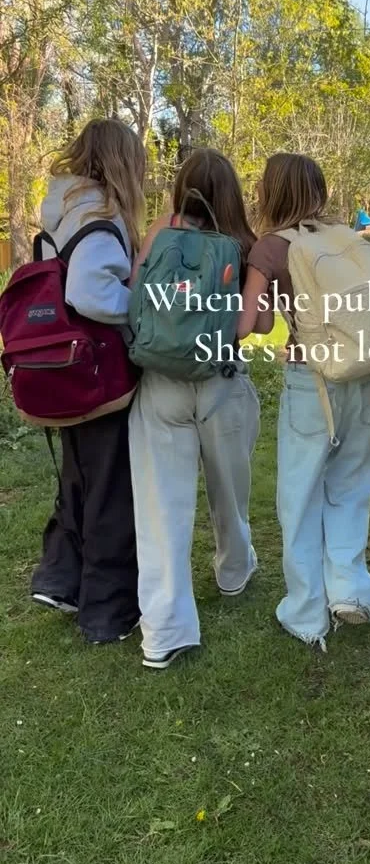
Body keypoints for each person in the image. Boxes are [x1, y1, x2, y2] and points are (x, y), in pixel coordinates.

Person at [238, 152, 370, 651]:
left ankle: (305, 613)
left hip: (310, 379)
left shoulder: (272, 247)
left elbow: (247, 324)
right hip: (362, 374)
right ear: (318, 190)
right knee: (351, 485)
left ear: (271, 192)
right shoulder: (345, 239)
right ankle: (349, 590)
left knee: (300, 497)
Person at [128, 149, 263, 670]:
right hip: (220, 381)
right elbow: (256, 324)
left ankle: (165, 631)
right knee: (230, 489)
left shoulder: (161, 230)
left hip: (161, 381)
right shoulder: (244, 242)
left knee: (162, 504)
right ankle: (233, 570)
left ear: (181, 186)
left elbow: (136, 295)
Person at [31, 117, 146, 644]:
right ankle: (107, 610)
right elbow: (89, 293)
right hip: (99, 372)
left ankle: (60, 578)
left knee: (77, 477)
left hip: (62, 366)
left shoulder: (61, 209)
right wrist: (139, 308)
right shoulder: (101, 216)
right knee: (111, 488)